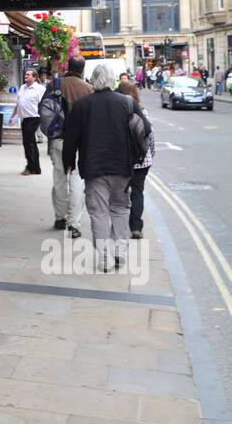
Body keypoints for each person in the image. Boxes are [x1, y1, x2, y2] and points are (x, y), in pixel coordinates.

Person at [62, 62, 151, 273]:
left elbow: (70, 138)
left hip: (94, 168)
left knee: (99, 213)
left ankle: (105, 260)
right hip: (122, 167)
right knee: (120, 208)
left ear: (93, 80)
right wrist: (136, 158)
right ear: (113, 81)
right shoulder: (128, 102)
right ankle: (119, 251)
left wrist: (69, 163)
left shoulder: (82, 105)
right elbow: (145, 130)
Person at [48, 55, 92, 238]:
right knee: (77, 180)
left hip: (58, 139)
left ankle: (60, 217)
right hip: (80, 142)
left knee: (59, 178)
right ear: (82, 70)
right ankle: (74, 223)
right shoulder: (89, 89)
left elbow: (43, 110)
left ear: (68, 66)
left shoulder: (55, 84)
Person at [119, 77, 155, 238]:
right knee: (138, 192)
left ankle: (120, 223)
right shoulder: (143, 111)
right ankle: (136, 227)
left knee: (122, 192)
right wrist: (151, 155)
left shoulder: (117, 112)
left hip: (123, 160)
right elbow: (151, 136)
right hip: (142, 160)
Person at [8, 67, 47, 175]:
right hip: (24, 118)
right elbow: (18, 104)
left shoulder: (40, 89)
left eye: (28, 74)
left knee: (28, 142)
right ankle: (36, 168)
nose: (26, 76)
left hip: (34, 118)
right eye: (25, 74)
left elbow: (45, 104)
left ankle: (30, 167)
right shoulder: (22, 88)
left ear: (34, 77)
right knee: (31, 143)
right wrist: (12, 117)